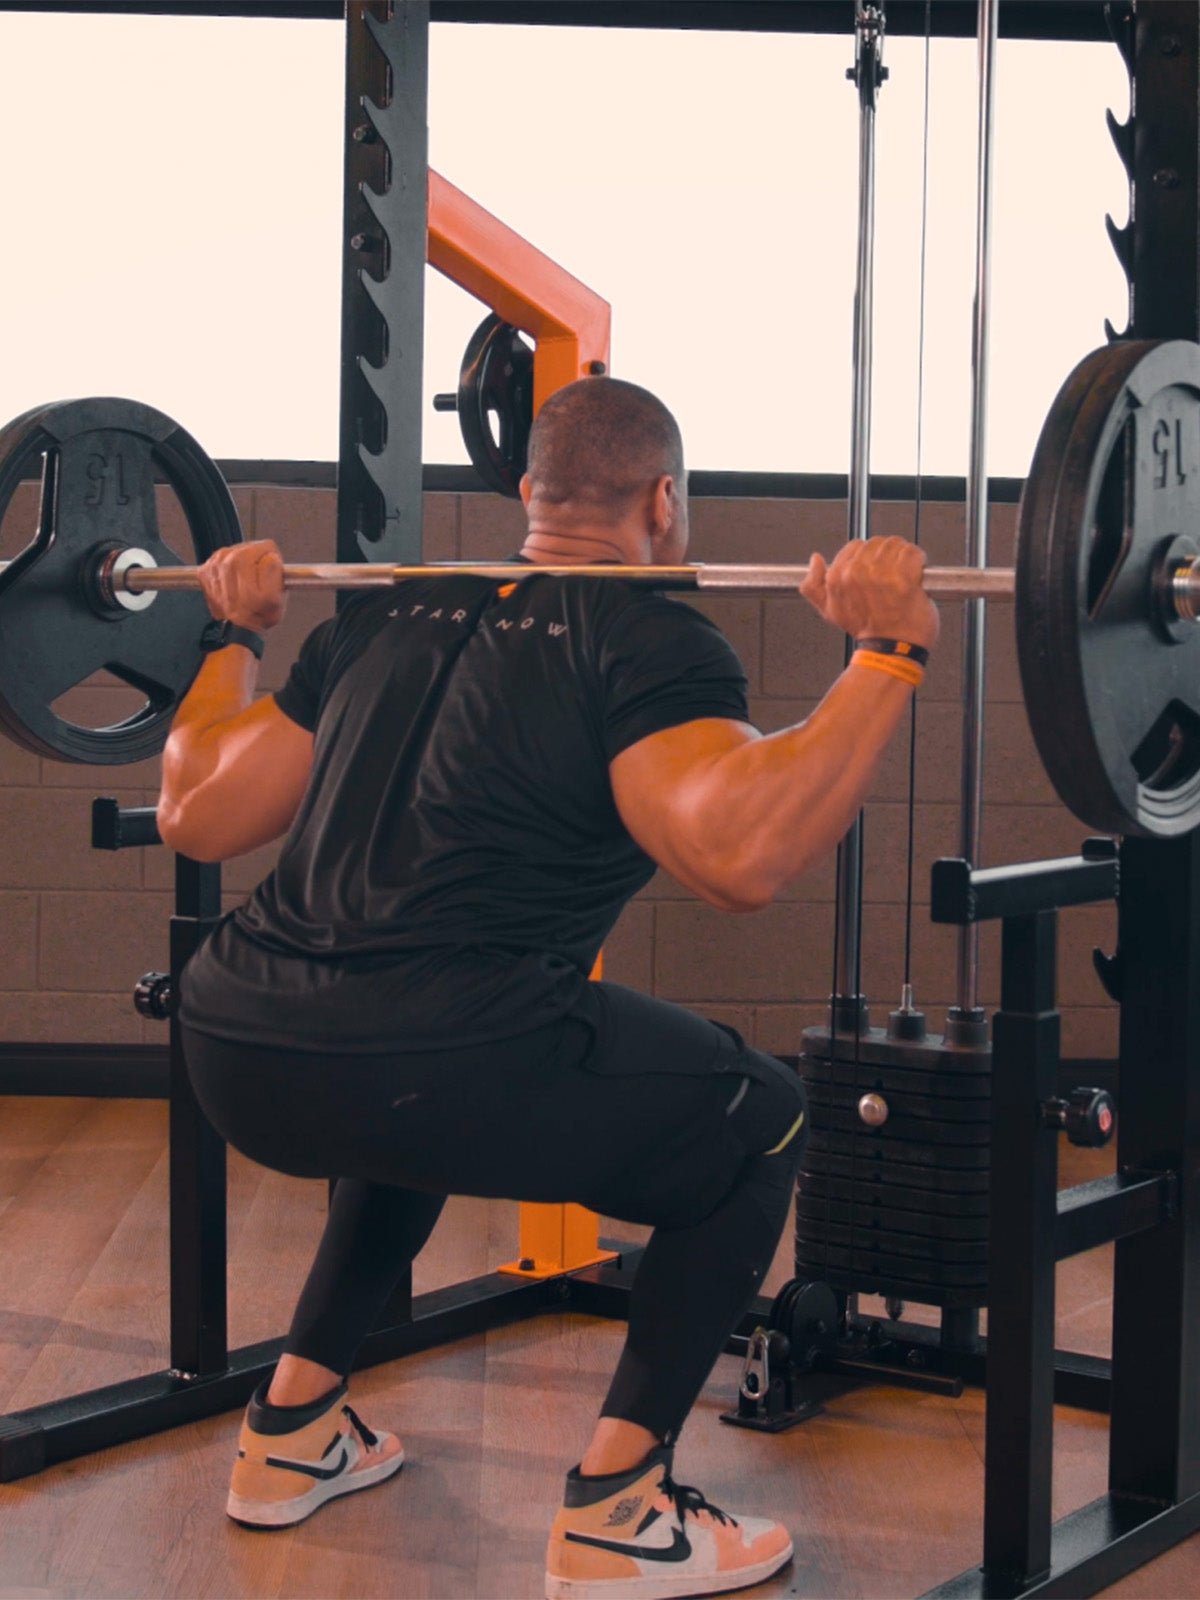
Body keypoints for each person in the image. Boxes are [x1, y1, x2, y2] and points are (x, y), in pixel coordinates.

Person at [159, 376, 939, 1600]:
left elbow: (198, 812)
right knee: (765, 1115)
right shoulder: (648, 633)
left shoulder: (385, 613)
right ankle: (619, 1508)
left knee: (405, 1093)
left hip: (232, 1041)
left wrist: (229, 632)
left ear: (526, 492)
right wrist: (887, 652)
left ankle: (291, 1427)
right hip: (434, 1057)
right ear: (665, 501)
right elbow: (740, 855)